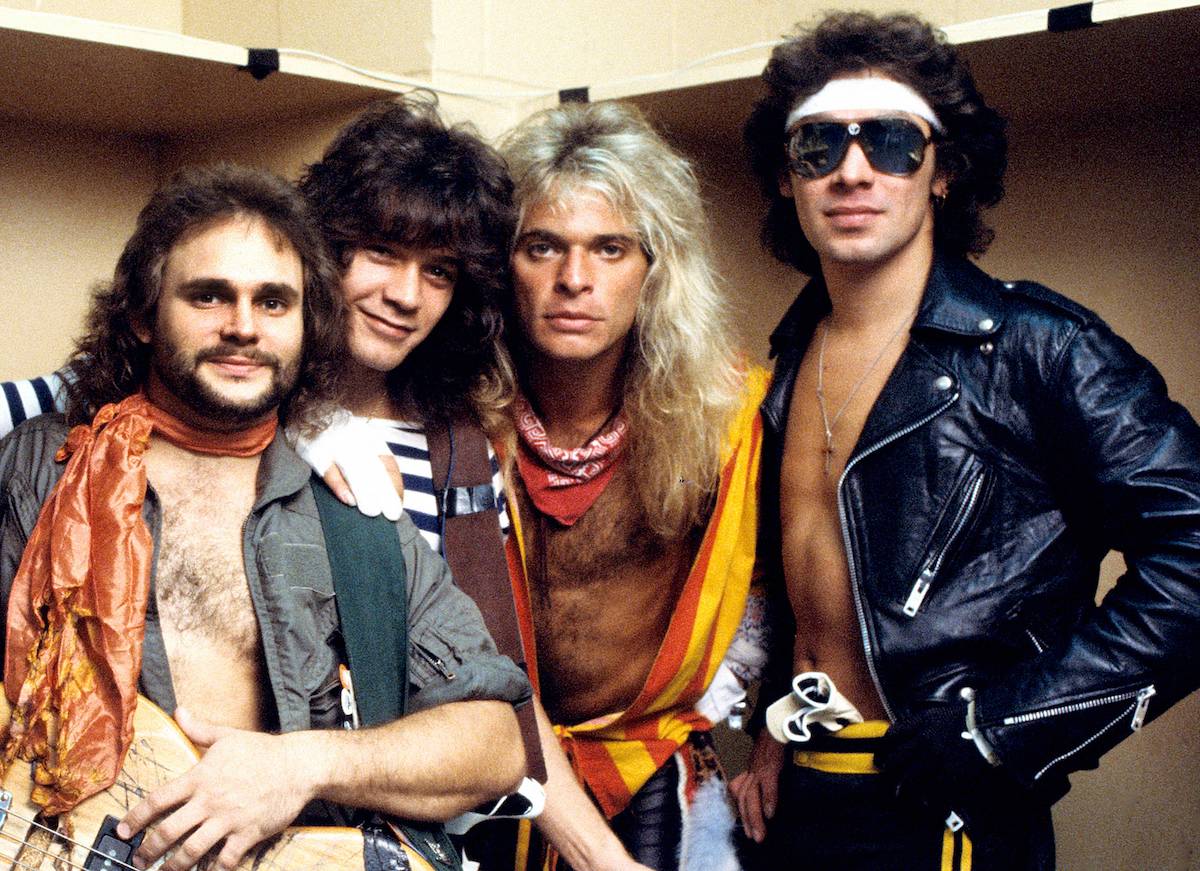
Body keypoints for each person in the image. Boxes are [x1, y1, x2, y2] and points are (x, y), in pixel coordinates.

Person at [730, 11, 1200, 871]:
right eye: (818, 146)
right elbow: (808, 583)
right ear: (787, 180)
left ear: (944, 171)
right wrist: (770, 733)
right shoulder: (789, 359)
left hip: (949, 805)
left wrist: (1003, 729)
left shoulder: (1040, 346)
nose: (854, 170)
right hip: (801, 800)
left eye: (895, 143)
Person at [0, 164, 529, 871]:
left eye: (273, 302)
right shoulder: (39, 472)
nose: (242, 327)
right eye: (210, 295)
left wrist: (299, 766)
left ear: (308, 325)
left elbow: (494, 741)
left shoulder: (355, 510)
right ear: (142, 315)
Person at [486, 101, 770, 871]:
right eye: (541, 247)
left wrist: (776, 738)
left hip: (653, 766)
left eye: (609, 249)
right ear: (499, 263)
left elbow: (813, 593)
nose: (573, 280)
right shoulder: (452, 420)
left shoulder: (729, 418)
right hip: (479, 762)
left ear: (655, 269)